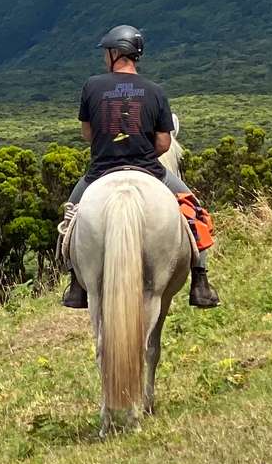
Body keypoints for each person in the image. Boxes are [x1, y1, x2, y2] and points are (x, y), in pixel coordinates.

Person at [61, 24, 220, 310]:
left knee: (70, 217)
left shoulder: (92, 86)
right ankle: (200, 281)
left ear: (113, 53)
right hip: (148, 168)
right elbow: (163, 143)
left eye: (105, 52)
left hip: (101, 170)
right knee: (195, 213)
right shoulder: (155, 91)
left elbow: (88, 135)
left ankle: (75, 282)